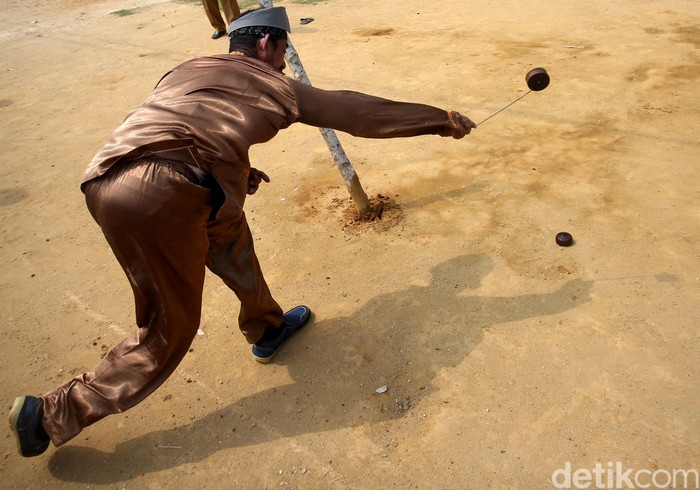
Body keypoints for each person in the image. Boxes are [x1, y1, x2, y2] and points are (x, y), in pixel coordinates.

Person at [8, 6, 476, 458]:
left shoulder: (187, 67)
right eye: (283, 50)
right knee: (169, 329)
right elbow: (356, 113)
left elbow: (190, 125)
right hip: (160, 196)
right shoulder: (273, 83)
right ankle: (50, 414)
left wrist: (235, 170)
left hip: (112, 178)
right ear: (269, 43)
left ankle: (267, 327)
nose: (284, 62)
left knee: (231, 237)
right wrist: (439, 120)